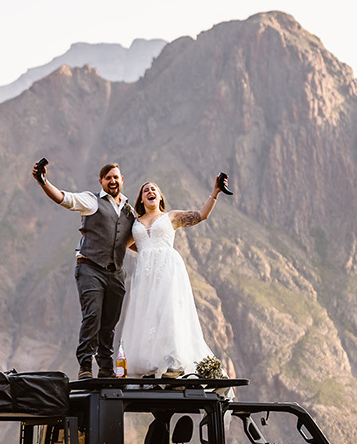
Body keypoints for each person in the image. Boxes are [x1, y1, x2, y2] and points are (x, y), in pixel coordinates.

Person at [118, 174, 231, 377]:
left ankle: (173, 361)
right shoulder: (135, 223)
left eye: (154, 189)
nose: (150, 191)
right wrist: (146, 254)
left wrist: (215, 192)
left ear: (160, 197)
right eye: (146, 190)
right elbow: (123, 246)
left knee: (167, 311)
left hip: (168, 269)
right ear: (141, 199)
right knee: (146, 313)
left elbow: (201, 215)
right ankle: (150, 363)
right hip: (145, 273)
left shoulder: (171, 216)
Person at [33, 159, 136, 379]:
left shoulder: (129, 211)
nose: (113, 181)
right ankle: (86, 366)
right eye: (108, 178)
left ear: (122, 180)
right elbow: (64, 198)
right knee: (93, 315)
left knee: (110, 322)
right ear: (101, 181)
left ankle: (106, 368)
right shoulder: (92, 201)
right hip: (90, 267)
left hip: (116, 272)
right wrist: (43, 182)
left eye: (116, 177)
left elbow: (138, 241)